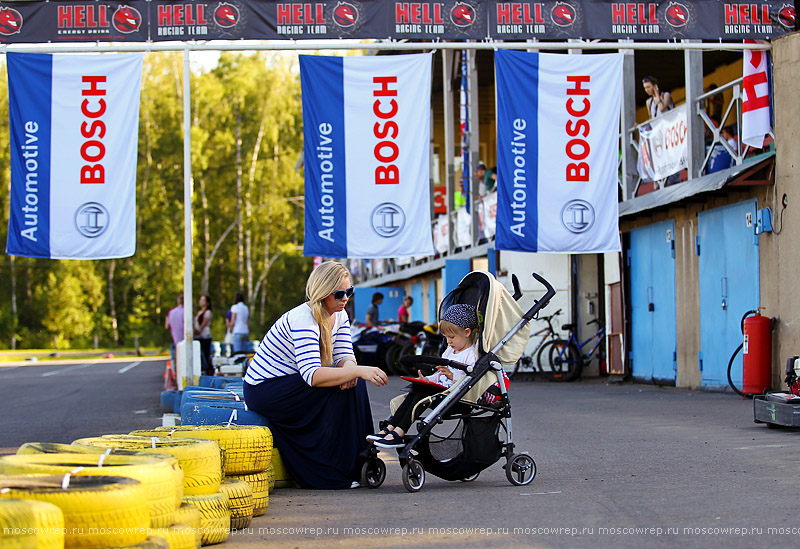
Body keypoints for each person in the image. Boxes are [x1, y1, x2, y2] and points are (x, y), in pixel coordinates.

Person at [243, 261, 388, 489]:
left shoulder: (339, 315)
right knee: (348, 382)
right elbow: (311, 375)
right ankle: (329, 471)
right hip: (266, 389)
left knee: (355, 384)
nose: (345, 299)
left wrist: (350, 369)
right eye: (338, 294)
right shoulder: (304, 319)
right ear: (322, 293)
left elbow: (344, 355)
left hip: (291, 382)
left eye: (349, 292)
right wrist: (357, 370)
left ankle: (360, 459)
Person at [367, 303, 479, 449]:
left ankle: (400, 432)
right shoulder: (450, 352)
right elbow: (439, 374)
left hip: (456, 398)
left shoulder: (471, 355)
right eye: (445, 338)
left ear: (467, 332)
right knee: (415, 390)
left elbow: (470, 382)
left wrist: (452, 376)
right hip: (441, 392)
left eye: (451, 337)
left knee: (421, 396)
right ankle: (391, 427)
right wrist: (428, 380)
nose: (448, 342)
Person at [193, 294, 213, 375]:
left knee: (205, 354)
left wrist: (198, 330)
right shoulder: (199, 313)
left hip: (205, 335)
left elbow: (203, 323)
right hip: (199, 336)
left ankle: (207, 369)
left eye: (203, 300)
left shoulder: (208, 312)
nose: (201, 302)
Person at [165, 294, 184, 363]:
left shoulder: (171, 312)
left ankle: (177, 369)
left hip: (176, 337)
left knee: (177, 353)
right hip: (186, 337)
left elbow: (167, 326)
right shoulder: (186, 311)